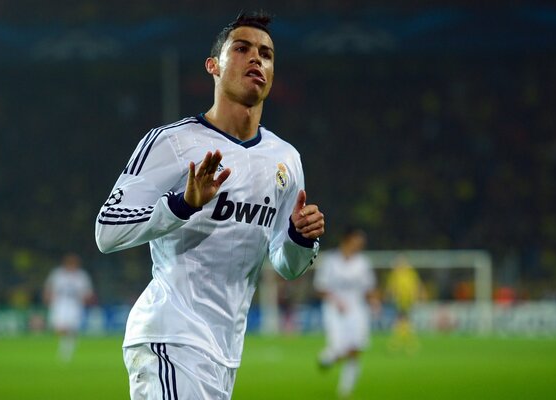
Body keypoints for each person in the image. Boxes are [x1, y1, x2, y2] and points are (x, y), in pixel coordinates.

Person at [95, 11, 325, 400]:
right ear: (213, 66)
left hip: (224, 354)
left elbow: (286, 265)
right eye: (242, 48)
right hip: (170, 337)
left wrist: (300, 238)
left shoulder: (286, 160)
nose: (257, 58)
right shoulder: (171, 143)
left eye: (266, 54)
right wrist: (183, 204)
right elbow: (107, 230)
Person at [313, 228, 378, 399]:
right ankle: (328, 357)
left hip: (357, 310)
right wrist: (335, 300)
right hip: (334, 310)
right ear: (348, 240)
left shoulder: (363, 263)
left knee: (355, 348)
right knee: (339, 348)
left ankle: (345, 389)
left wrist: (374, 301)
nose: (361, 244)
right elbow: (320, 287)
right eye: (358, 240)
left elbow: (369, 288)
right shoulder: (330, 261)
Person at [43, 252, 94, 362]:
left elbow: (88, 292)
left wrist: (86, 300)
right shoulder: (58, 274)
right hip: (59, 304)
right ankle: (66, 346)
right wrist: (47, 298)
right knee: (59, 328)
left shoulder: (81, 276)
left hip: (74, 305)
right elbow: (49, 287)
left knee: (72, 328)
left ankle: (66, 351)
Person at [385, 255, 422, 354]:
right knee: (404, 321)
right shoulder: (396, 274)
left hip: (407, 301)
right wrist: (390, 295)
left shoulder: (409, 273)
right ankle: (408, 344)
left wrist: (415, 297)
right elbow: (392, 287)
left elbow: (415, 285)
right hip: (399, 301)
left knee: (402, 321)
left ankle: (399, 344)